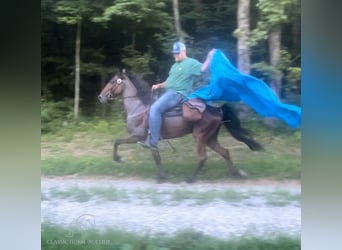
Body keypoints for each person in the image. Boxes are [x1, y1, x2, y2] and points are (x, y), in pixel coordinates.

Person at [138, 42, 215, 150]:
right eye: (174, 53)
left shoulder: (191, 63)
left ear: (184, 51)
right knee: (151, 107)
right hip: (169, 92)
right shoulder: (174, 66)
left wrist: (210, 57)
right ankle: (154, 134)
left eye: (178, 53)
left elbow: (203, 69)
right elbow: (169, 82)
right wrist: (158, 85)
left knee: (154, 109)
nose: (175, 55)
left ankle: (153, 141)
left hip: (177, 94)